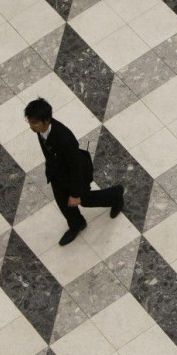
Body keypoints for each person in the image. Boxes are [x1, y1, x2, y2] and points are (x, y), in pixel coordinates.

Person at [24, 97, 124, 246]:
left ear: (47, 120)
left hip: (76, 174)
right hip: (58, 174)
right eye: (30, 122)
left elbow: (76, 167)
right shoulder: (41, 129)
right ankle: (77, 224)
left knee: (85, 200)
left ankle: (115, 195)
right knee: (64, 204)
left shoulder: (64, 138)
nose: (31, 126)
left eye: (34, 123)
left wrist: (75, 194)